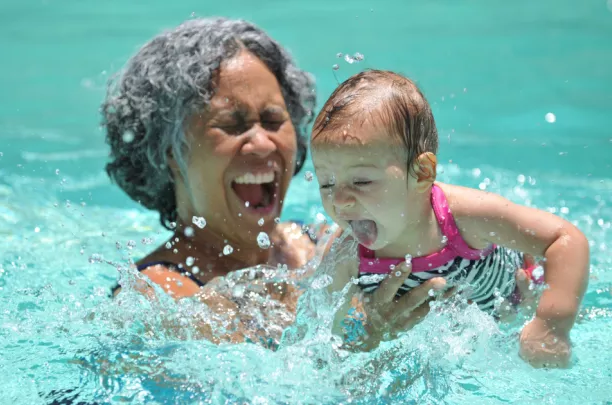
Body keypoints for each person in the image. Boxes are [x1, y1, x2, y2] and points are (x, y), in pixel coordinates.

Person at [100, 18, 535, 346]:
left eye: (274, 120)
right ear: (170, 154)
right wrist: (362, 344)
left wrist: (513, 301)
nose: (262, 144)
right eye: (231, 125)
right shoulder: (160, 297)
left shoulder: (328, 245)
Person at [310, 69, 590, 368]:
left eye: (361, 182)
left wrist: (550, 326)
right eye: (327, 183)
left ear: (422, 174)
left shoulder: (465, 216)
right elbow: (326, 339)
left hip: (519, 298)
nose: (339, 200)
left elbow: (566, 240)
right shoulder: (345, 255)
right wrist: (366, 331)